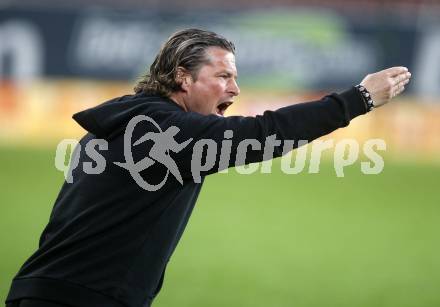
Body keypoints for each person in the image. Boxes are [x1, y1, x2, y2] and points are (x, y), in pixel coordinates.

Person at [5, 28, 411, 307]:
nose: (235, 89)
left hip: (47, 291)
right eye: (223, 76)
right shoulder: (163, 133)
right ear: (183, 78)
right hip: (82, 298)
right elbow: (263, 133)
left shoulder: (122, 123)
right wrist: (358, 99)